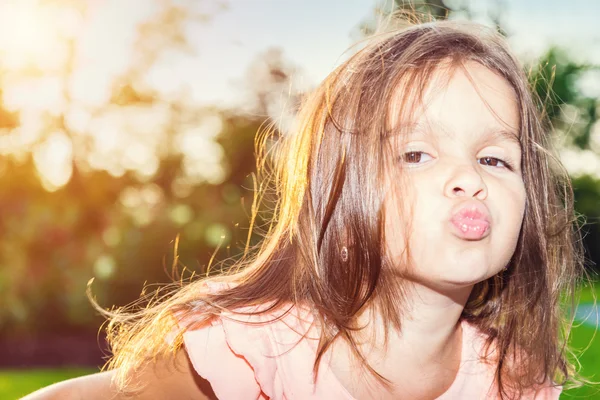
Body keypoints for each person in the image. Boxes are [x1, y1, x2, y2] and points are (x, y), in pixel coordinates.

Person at [24, 19, 585, 400]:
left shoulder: (513, 381)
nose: (470, 179)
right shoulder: (255, 353)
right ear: (338, 198)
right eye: (416, 153)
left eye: (494, 158)